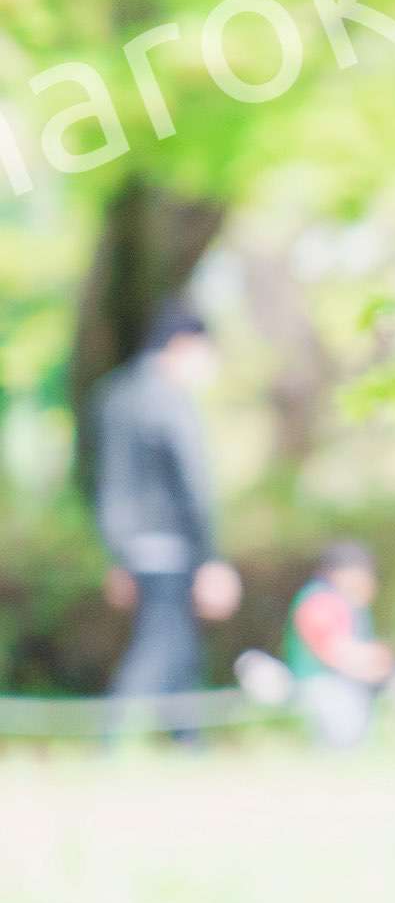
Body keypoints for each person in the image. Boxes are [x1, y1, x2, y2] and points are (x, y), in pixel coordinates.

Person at [92, 301, 239, 725]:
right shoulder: (172, 400)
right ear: (183, 344)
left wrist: (117, 554)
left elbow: (108, 485)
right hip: (171, 542)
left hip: (134, 546)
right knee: (163, 643)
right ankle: (115, 734)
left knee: (181, 645)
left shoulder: (114, 396)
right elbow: (194, 483)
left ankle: (188, 740)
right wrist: (212, 557)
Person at [283, 541, 395, 750]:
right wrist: (377, 662)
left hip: (340, 687)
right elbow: (335, 650)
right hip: (321, 686)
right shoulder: (320, 600)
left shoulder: (348, 602)